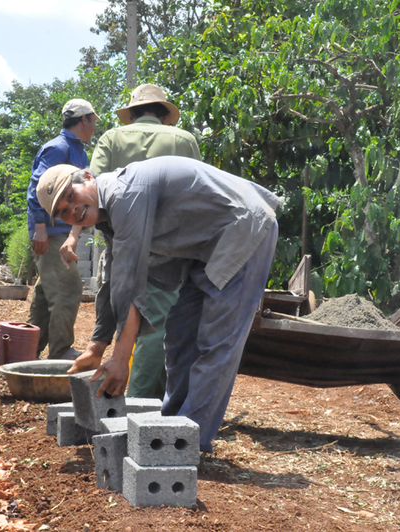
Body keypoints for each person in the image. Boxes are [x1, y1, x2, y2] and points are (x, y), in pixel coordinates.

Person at [37, 156, 279, 453]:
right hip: (208, 248)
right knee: (180, 333)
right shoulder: (109, 216)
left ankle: (188, 443)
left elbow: (131, 280)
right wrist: (96, 348)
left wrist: (121, 359)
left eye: (70, 196)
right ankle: (172, 427)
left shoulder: (125, 193)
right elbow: (114, 280)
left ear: (87, 177)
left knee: (216, 341)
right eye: (62, 212)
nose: (71, 209)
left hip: (243, 229)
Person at [70, 83, 201, 399]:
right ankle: (145, 401)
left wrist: (75, 234)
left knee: (127, 306)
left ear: (132, 114)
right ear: (163, 113)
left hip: (121, 235)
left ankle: (141, 403)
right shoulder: (184, 139)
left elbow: (90, 190)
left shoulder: (112, 138)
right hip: (170, 243)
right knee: (159, 320)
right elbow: (198, 190)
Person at [26, 98, 99, 360]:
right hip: (51, 232)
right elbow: (38, 188)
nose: (94, 127)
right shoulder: (58, 148)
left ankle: (26, 350)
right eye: (93, 121)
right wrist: (40, 228)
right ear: (84, 119)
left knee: (47, 294)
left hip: (61, 231)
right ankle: (60, 351)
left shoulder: (77, 149)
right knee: (68, 288)